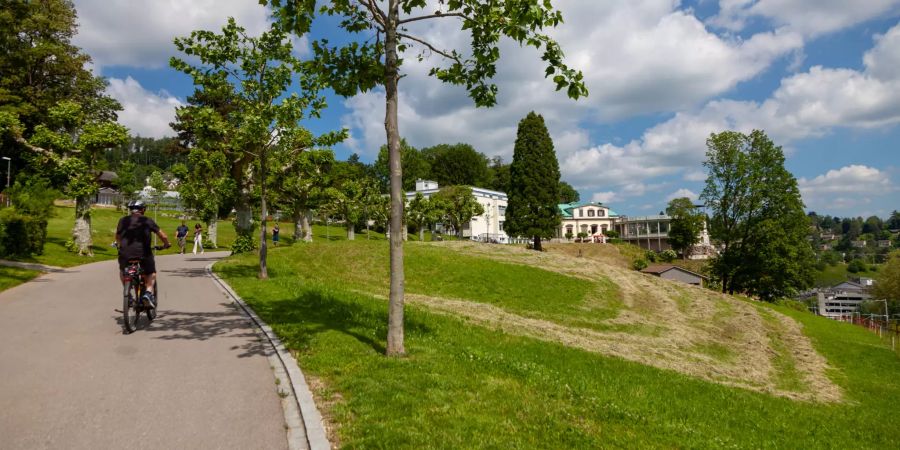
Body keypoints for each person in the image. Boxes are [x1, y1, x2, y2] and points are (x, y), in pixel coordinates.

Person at [116, 200, 170, 306]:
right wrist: (166, 244)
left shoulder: (122, 220)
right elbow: (163, 236)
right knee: (151, 273)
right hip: (143, 252)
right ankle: (148, 293)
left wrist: (119, 245)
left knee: (123, 271)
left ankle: (129, 297)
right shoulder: (147, 220)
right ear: (143, 210)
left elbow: (118, 237)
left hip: (125, 253)